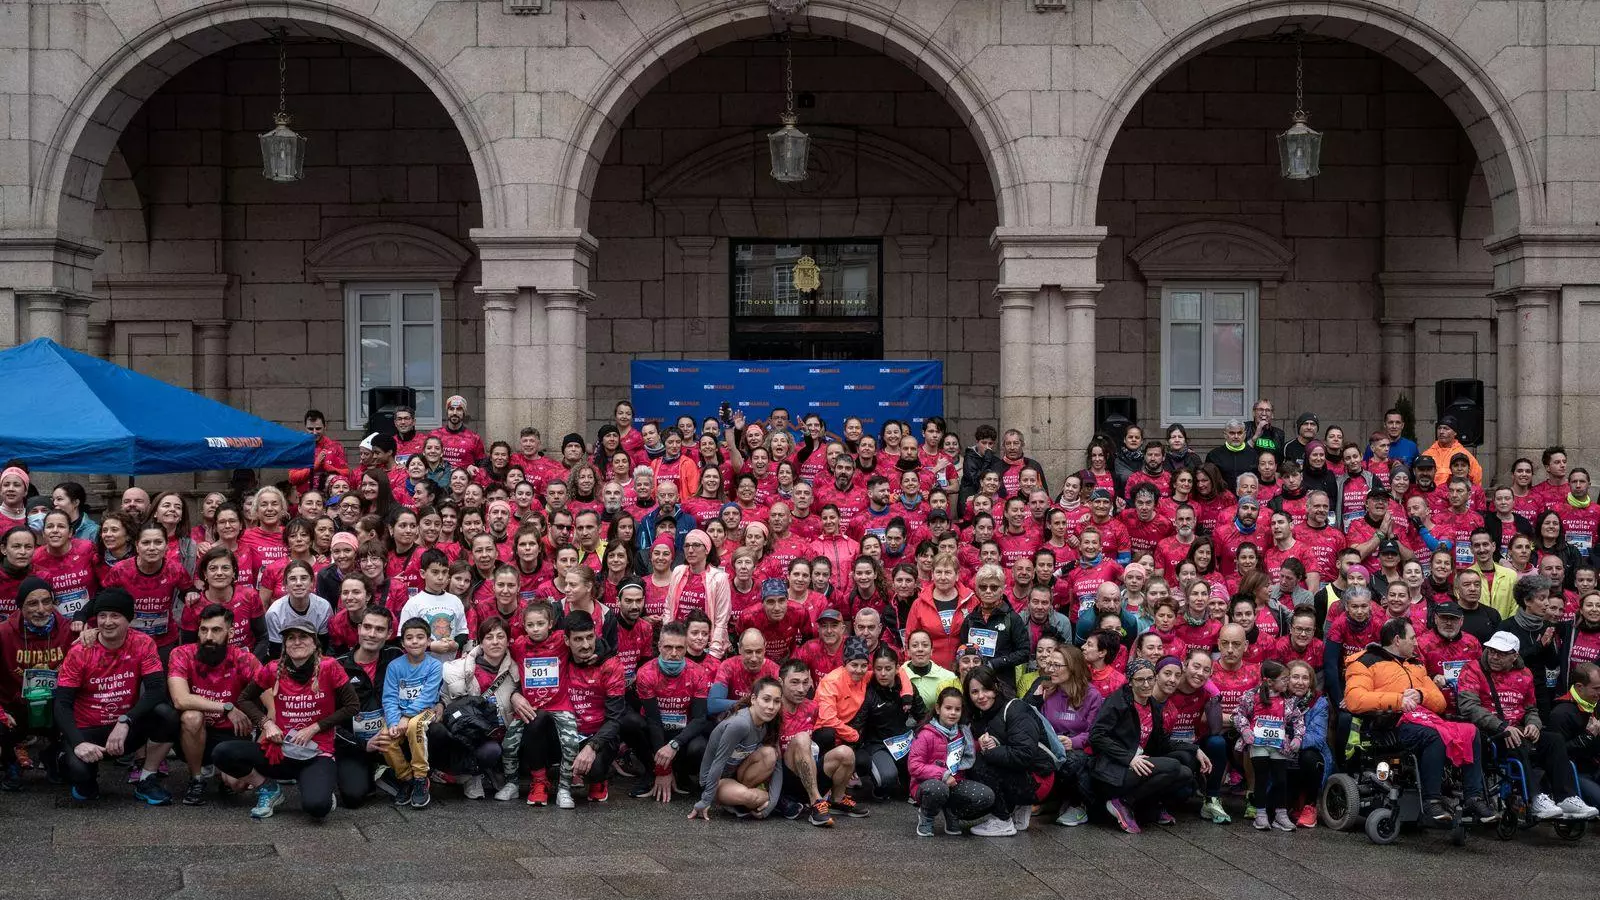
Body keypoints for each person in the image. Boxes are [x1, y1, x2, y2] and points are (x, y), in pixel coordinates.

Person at [1342, 617, 1496, 823]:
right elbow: (1354, 700)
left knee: (1471, 731)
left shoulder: (1416, 664)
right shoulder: (1364, 662)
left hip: (1422, 719)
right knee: (1434, 736)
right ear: (1397, 640)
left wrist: (1421, 695)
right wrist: (1398, 700)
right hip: (1388, 725)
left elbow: (1440, 703)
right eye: (1412, 638)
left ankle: (1473, 797)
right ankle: (1432, 801)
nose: (1416, 643)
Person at [215, 620, 358, 820]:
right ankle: (268, 788)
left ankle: (318, 787)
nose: (297, 642)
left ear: (314, 643)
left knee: (317, 808)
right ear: (285, 644)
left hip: (316, 753)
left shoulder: (330, 666)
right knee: (222, 752)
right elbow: (244, 699)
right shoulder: (273, 668)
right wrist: (266, 723)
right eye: (291, 638)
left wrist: (315, 727)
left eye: (303, 637)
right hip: (281, 751)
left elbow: (352, 706)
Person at [54, 587, 178, 805]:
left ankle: (147, 778)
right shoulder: (81, 651)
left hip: (124, 729)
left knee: (167, 715)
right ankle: (75, 768)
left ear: (129, 619)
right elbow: (62, 703)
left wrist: (126, 720)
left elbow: (156, 689)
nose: (107, 622)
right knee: (80, 779)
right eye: (102, 615)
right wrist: (78, 743)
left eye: (115, 616)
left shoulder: (142, 643)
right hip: (88, 730)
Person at [1456, 631, 1598, 820]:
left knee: (1554, 740)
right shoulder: (1472, 670)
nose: (1494, 657)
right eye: (1492, 651)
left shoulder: (1525, 674)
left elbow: (1531, 709)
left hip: (1518, 729)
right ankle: (1536, 797)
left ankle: (1566, 797)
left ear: (1515, 656)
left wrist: (1533, 724)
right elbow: (1469, 707)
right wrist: (1502, 727)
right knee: (1516, 739)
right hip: (1490, 732)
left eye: (1502, 653)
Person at [1089, 657, 1203, 834]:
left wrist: (1195, 749)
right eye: (1140, 680)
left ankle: (1144, 806)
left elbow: (1162, 742)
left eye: (1150, 678)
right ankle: (1122, 802)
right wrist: (1129, 758)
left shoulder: (1153, 705)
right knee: (1173, 766)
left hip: (1139, 763)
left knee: (1186, 771)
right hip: (1114, 769)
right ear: (1130, 681)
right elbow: (1097, 735)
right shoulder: (1118, 701)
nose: (1146, 684)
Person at [166, 603, 261, 805]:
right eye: (203, 630)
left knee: (237, 785)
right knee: (191, 716)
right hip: (194, 732)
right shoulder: (181, 653)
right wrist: (226, 707)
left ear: (230, 633)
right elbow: (180, 699)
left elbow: (271, 696)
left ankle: (222, 772)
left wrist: (264, 735)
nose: (208, 636)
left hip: (231, 731)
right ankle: (196, 778)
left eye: (216, 630)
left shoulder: (244, 658)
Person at [962, 665, 1054, 836]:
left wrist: (988, 751)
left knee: (977, 763)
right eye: (974, 692)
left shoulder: (1016, 708)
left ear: (996, 687)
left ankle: (1002, 820)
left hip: (1039, 778)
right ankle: (1019, 809)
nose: (981, 696)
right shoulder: (980, 715)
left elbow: (1024, 754)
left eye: (986, 689)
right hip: (1024, 774)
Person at [626, 620, 711, 802]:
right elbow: (653, 720)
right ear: (659, 647)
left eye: (679, 648)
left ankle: (681, 773)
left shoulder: (698, 673)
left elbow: (700, 719)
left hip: (682, 733)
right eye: (668, 647)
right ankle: (651, 771)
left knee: (700, 747)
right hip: (654, 730)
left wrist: (674, 745)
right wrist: (662, 770)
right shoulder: (645, 673)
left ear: (686, 648)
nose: (673, 653)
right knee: (629, 723)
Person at [436, 615, 520, 801]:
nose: (495, 642)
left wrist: (516, 694)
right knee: (489, 750)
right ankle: (470, 775)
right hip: (470, 736)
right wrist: (440, 705)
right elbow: (446, 699)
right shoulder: (459, 668)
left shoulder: (516, 671)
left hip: (503, 732)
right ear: (480, 642)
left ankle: (490, 769)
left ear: (508, 641)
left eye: (500, 636)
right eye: (489, 637)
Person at [0, 576, 74, 787]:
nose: (41, 609)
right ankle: (10, 762)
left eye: (47, 602)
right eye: (33, 603)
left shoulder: (69, 630)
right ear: (21, 606)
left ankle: (53, 756)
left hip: (55, 704)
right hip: (14, 705)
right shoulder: (4, 633)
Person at [1025, 642, 1101, 826]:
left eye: (1056, 665)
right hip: (1051, 747)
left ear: (1073, 667)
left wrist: (1073, 741)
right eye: (1050, 664)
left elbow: (1095, 732)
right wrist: (1036, 698)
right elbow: (1029, 717)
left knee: (1071, 762)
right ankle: (1050, 799)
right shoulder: (1048, 690)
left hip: (1081, 751)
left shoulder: (1092, 695)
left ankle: (1077, 804)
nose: (1050, 669)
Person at [687, 676, 784, 820]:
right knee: (752, 798)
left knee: (770, 754)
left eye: (777, 701)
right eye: (766, 699)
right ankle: (743, 799)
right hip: (717, 780)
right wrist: (705, 800)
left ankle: (744, 800)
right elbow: (718, 762)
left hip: (738, 775)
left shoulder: (770, 721)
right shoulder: (740, 724)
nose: (771, 706)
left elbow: (778, 766)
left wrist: (772, 805)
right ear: (753, 699)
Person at [333, 605, 401, 807]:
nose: (372, 634)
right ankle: (371, 773)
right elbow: (327, 720)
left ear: (389, 633)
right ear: (359, 628)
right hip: (354, 745)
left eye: (379, 629)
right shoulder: (337, 666)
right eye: (367, 627)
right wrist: (363, 745)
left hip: (392, 738)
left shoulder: (396, 657)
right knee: (353, 798)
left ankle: (388, 772)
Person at [909, 685, 992, 837]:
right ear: (938, 709)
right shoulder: (926, 734)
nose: (953, 713)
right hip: (927, 785)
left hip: (955, 783)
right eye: (948, 708)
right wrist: (943, 774)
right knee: (938, 788)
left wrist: (983, 743)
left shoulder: (963, 732)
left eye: (957, 709)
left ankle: (952, 812)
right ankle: (927, 816)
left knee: (986, 796)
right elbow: (914, 766)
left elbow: (971, 750)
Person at [1232, 659, 1303, 831]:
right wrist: (1245, 729)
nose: (1287, 682)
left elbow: (1298, 719)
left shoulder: (1288, 700)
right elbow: (1238, 713)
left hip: (1279, 745)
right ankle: (1260, 814)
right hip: (1258, 744)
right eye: (1284, 679)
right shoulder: (1252, 696)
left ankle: (1281, 815)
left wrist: (1298, 737)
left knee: (1280, 779)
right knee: (1261, 778)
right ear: (1270, 681)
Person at [564, 610, 626, 803]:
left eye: (590, 637)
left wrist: (592, 747)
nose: (586, 645)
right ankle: (540, 780)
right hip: (566, 729)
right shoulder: (559, 656)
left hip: (598, 733)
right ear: (566, 641)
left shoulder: (612, 665)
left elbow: (615, 718)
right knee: (535, 726)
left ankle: (600, 778)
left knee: (595, 768)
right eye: (578, 639)